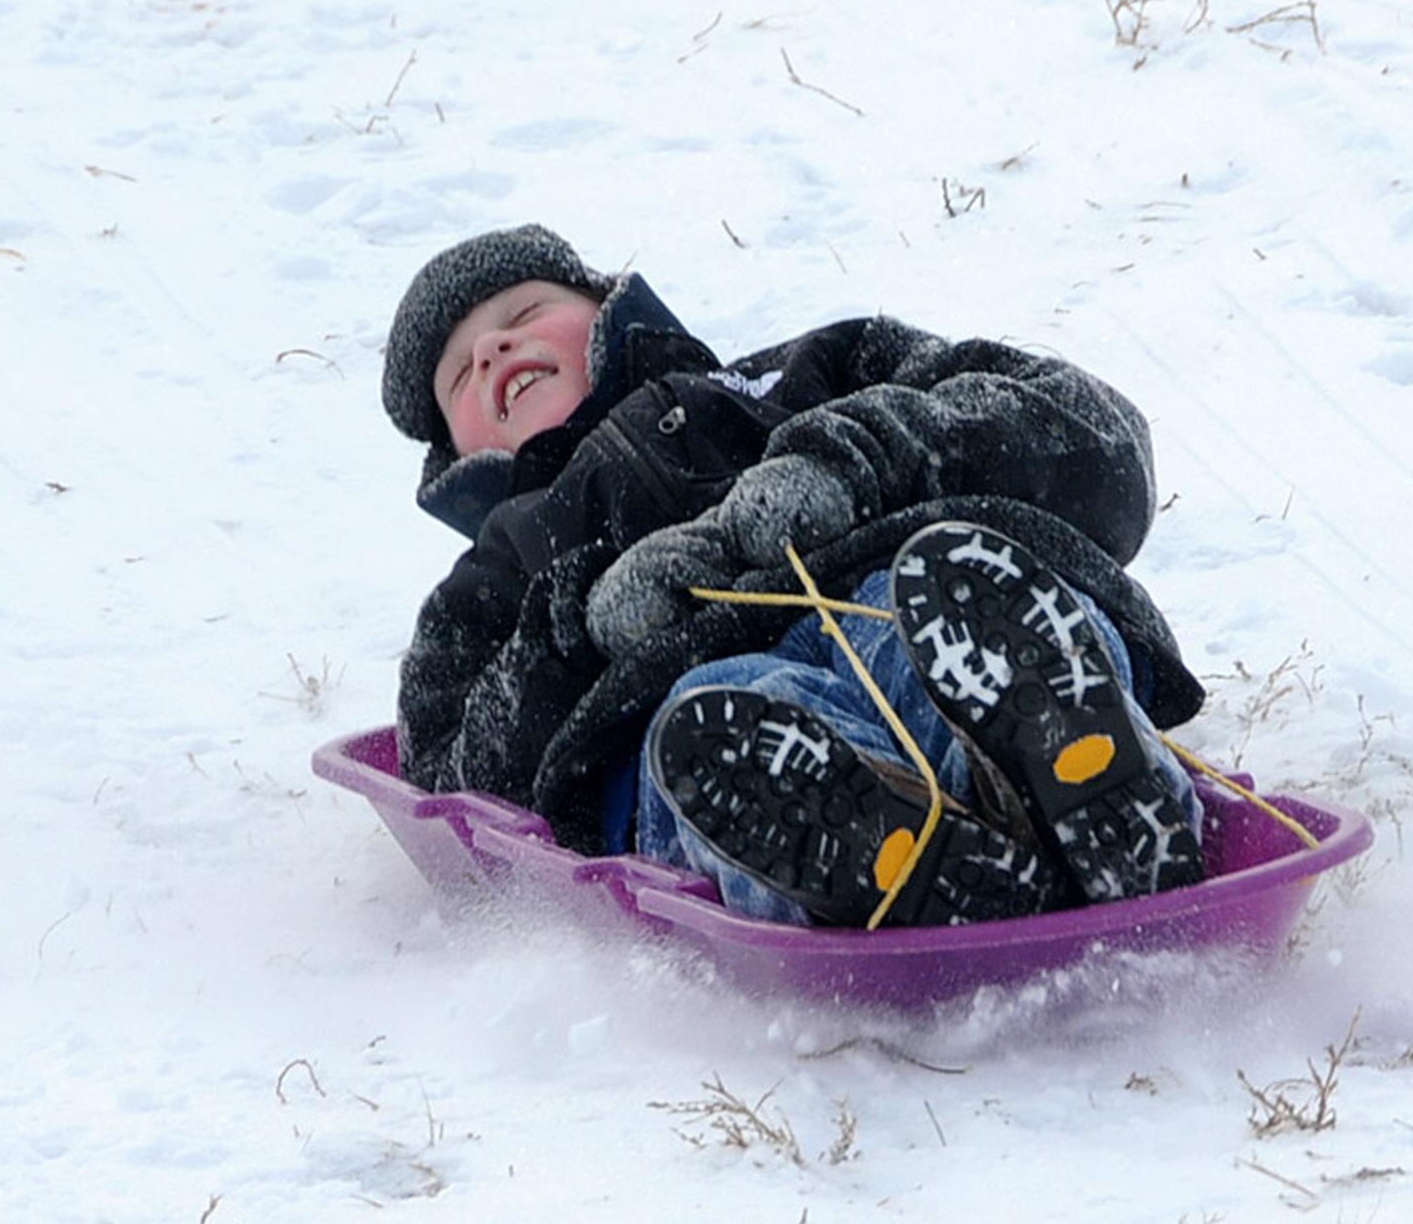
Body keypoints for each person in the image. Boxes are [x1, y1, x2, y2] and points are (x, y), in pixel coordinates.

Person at [382, 224, 1206, 930]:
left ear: (610, 312)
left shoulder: (815, 370)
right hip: (688, 701)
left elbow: (1093, 433)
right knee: (724, 723)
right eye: (459, 373)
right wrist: (580, 626)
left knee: (950, 607)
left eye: (523, 313)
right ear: (456, 461)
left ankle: (1078, 782)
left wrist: (856, 459)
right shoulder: (496, 575)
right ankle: (904, 857)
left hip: (889, 595)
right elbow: (448, 781)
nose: (492, 346)